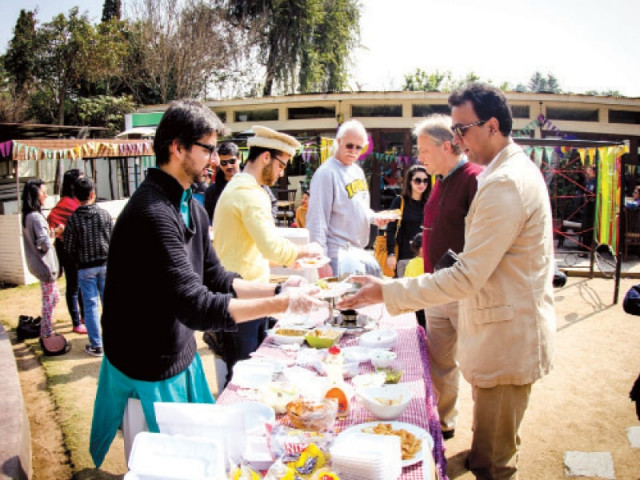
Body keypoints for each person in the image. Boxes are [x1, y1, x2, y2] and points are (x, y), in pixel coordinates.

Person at [338, 83, 556, 480]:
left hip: (507, 339)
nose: (456, 140)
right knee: (484, 447)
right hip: (499, 332)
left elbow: (468, 274)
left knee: (495, 462)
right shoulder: (503, 172)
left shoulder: (504, 181)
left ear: (491, 126)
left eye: (461, 130)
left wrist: (388, 291)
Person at [89, 100, 323, 467]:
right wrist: (282, 305)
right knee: (170, 466)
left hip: (179, 355)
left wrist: (279, 290)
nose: (216, 159)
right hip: (148, 363)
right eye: (208, 149)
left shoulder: (190, 205)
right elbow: (195, 304)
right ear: (177, 148)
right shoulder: (152, 213)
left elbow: (217, 278)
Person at [211, 125, 324, 385]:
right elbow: (272, 247)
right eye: (281, 165)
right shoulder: (250, 193)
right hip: (241, 295)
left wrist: (291, 259)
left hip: (244, 291)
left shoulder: (241, 187)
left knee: (246, 370)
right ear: (265, 158)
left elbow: (252, 249)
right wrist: (308, 249)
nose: (282, 173)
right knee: (242, 377)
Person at [414, 114, 484, 442]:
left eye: (423, 150)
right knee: (441, 361)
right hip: (435, 290)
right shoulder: (439, 180)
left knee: (477, 365)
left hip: (462, 290)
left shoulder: (474, 178)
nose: (419, 157)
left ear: (446, 146)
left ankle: (486, 438)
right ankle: (444, 421)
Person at [306, 119, 385, 277]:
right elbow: (317, 220)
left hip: (358, 251)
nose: (354, 151)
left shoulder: (357, 171)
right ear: (339, 141)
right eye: (350, 146)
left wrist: (375, 217)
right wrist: (321, 261)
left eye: (359, 148)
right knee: (345, 301)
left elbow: (359, 207)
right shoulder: (326, 173)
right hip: (337, 255)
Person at [63, 177, 113, 357]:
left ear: (76, 196)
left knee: (90, 306)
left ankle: (97, 344)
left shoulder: (73, 219)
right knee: (109, 304)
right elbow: (113, 240)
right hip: (105, 265)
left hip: (85, 268)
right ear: (93, 194)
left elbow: (68, 247)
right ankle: (113, 340)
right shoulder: (104, 214)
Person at [21, 179, 66, 349]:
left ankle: (45, 327)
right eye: (43, 192)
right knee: (49, 300)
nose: (46, 195)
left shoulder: (27, 216)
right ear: (35, 195)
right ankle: (46, 332)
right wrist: (56, 231)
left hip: (38, 265)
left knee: (53, 297)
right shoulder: (37, 217)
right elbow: (44, 243)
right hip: (45, 266)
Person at [47, 168, 86, 334]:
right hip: (68, 250)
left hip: (75, 249)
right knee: (73, 286)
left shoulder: (74, 202)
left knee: (80, 285)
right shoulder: (67, 204)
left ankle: (84, 317)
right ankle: (76, 321)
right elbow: (52, 221)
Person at [385, 165, 430, 278]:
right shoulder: (400, 201)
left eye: (425, 181)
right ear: (410, 181)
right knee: (404, 292)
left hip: (424, 258)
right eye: (418, 180)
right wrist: (391, 254)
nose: (422, 184)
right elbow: (391, 229)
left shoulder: (429, 204)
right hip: (404, 257)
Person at [204, 141, 241, 222]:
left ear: (239, 158)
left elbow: (272, 203)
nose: (229, 166)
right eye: (223, 163)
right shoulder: (211, 191)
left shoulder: (253, 182)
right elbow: (207, 217)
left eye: (232, 161)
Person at [403, 232, 426, 329]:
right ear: (421, 249)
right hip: (425, 303)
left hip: (415, 302)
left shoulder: (411, 263)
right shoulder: (425, 263)